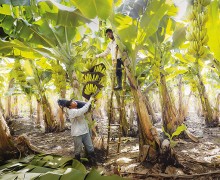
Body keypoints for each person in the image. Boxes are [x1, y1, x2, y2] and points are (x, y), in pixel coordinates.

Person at [60, 97, 96, 165]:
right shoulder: (72, 112)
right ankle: (78, 165)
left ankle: (93, 163)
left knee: (90, 147)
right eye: (72, 102)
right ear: (70, 106)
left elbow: (84, 111)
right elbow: (82, 110)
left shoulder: (77, 109)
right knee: (78, 150)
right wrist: (90, 100)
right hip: (77, 134)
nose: (74, 102)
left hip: (85, 132)